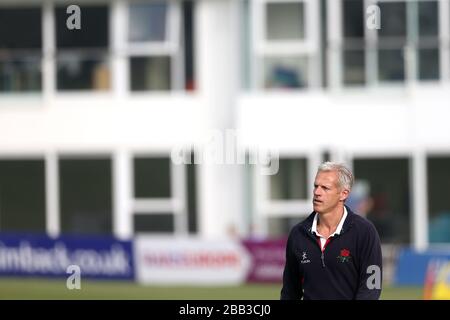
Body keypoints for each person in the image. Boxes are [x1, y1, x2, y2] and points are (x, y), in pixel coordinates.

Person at [280, 162, 382, 300]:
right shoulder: (298, 234)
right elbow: (290, 291)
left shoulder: (364, 232)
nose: (317, 192)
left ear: (343, 194)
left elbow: (371, 289)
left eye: (325, 188)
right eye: (316, 186)